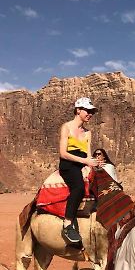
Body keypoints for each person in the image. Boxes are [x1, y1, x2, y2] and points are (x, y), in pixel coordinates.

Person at [59, 97, 98, 243]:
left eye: (91, 111)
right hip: (68, 165)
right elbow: (63, 153)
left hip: (82, 164)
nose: (90, 114)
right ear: (78, 110)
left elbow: (88, 154)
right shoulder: (66, 127)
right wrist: (84, 162)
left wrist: (89, 166)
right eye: (87, 110)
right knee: (79, 187)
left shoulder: (88, 133)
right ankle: (67, 224)